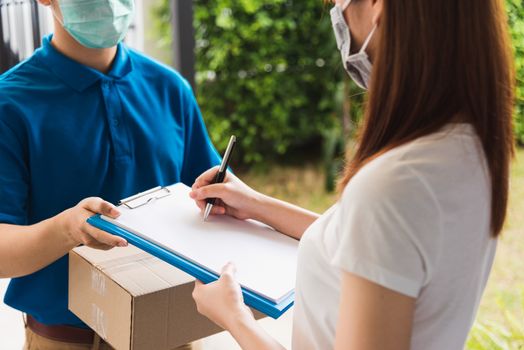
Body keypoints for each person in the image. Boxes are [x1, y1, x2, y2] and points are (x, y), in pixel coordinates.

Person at [189, 0, 515, 349]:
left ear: (378, 7)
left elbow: (380, 222)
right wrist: (255, 204)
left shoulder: (393, 187)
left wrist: (234, 319)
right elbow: (379, 244)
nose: (336, 13)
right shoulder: (468, 149)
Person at [0, 0, 220, 349]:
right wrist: (67, 229)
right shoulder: (9, 103)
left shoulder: (170, 89)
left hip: (173, 333)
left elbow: (214, 203)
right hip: (68, 340)